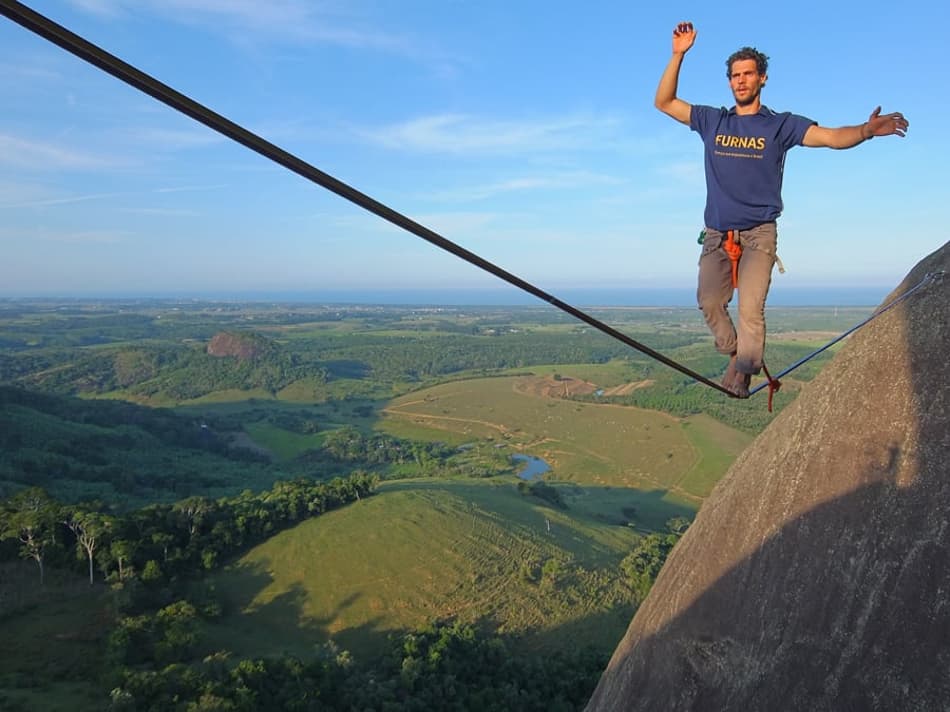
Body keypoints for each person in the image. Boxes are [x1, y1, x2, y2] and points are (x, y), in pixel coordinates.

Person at [655, 21, 908, 397]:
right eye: (735, 76)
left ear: (762, 79)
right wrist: (678, 55)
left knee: (751, 308)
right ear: (730, 82)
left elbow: (831, 138)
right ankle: (733, 352)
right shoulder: (713, 120)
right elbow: (665, 102)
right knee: (709, 302)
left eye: (748, 74)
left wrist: (865, 131)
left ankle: (743, 371)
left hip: (759, 233)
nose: (741, 81)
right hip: (716, 233)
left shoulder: (780, 126)